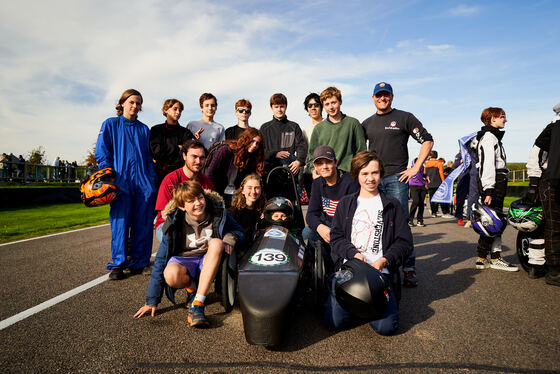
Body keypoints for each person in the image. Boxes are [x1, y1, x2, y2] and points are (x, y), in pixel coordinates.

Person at [134, 180, 244, 327]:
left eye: (200, 197)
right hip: (185, 260)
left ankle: (197, 303)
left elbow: (239, 231)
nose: (198, 203)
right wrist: (152, 301)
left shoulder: (219, 213)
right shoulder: (174, 223)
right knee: (171, 274)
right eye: (191, 201)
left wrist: (230, 238)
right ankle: (192, 290)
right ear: (181, 206)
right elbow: (160, 260)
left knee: (217, 242)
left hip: (209, 259)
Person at [326, 151, 413, 335]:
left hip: (380, 273)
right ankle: (352, 303)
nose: (370, 179)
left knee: (386, 328)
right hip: (350, 270)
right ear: (357, 175)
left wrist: (385, 260)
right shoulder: (345, 203)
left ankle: (369, 308)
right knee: (335, 322)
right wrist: (354, 255)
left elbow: (404, 242)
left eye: (374, 173)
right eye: (364, 174)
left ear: (381, 173)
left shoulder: (392, 204)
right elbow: (336, 238)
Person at [361, 82, 434, 287]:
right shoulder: (366, 123)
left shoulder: (404, 117)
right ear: (373, 98)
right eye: (378, 95)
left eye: (386, 95)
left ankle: (409, 268)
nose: (382, 98)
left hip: (397, 179)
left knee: (401, 225)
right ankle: (380, 265)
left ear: (392, 97)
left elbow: (427, 141)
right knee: (375, 225)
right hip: (373, 181)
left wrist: (416, 168)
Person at [95, 89, 157, 280]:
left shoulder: (144, 129)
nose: (135, 106)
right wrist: (107, 174)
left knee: (143, 224)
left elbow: (148, 158)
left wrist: (151, 181)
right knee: (120, 223)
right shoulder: (110, 124)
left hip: (143, 183)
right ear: (122, 103)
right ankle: (118, 264)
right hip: (120, 183)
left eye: (138, 103)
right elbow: (102, 152)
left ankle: (140, 262)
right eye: (131, 102)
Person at [475, 107, 518, 271]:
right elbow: (487, 165)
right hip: (494, 181)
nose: (505, 120)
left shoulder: (492, 137)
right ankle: (494, 258)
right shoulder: (488, 138)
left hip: (496, 180)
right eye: (502, 117)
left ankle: (482, 258)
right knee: (494, 220)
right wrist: (488, 190)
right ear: (492, 118)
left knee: (491, 219)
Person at [303, 145, 359, 271]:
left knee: (339, 253)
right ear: (315, 167)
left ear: (336, 162)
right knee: (307, 233)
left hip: (347, 227)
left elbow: (354, 216)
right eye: (320, 163)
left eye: (328, 162)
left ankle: (338, 267)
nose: (324, 167)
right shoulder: (317, 183)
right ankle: (327, 267)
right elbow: (311, 214)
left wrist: (335, 233)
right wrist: (320, 227)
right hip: (328, 224)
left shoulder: (350, 182)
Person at [524, 103, 560, 285]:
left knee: (551, 225)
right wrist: (533, 185)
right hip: (549, 180)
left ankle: (539, 265)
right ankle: (552, 270)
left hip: (551, 179)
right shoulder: (552, 129)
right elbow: (535, 156)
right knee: (552, 225)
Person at [154, 140, 214, 242]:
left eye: (202, 158)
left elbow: (210, 210)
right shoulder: (170, 180)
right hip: (169, 224)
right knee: (175, 241)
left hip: (199, 224)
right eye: (194, 157)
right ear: (184, 156)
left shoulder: (206, 182)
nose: (198, 161)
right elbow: (165, 213)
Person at [308, 87, 366, 173]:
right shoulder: (318, 128)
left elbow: (361, 151)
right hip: (326, 175)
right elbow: (312, 154)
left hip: (349, 174)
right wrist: (313, 170)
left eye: (333, 103)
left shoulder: (353, 123)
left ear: (340, 102)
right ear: (323, 106)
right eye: (327, 104)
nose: (331, 107)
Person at [204, 128, 265, 205]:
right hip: (217, 192)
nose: (254, 145)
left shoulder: (251, 157)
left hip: (236, 194)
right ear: (245, 139)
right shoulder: (224, 150)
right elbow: (209, 174)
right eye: (252, 141)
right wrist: (211, 196)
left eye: (257, 143)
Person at [149, 98, 196, 187]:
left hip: (180, 174)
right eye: (175, 109)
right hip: (160, 174)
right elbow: (155, 151)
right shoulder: (156, 130)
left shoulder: (186, 132)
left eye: (180, 110)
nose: (178, 112)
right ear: (166, 110)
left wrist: (166, 148)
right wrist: (177, 147)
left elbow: (187, 153)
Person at [260, 93, 307, 175]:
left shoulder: (294, 127)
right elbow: (260, 151)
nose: (279, 110)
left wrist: (299, 161)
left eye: (282, 106)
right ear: (271, 108)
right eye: (276, 107)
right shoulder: (264, 128)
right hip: (269, 172)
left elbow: (301, 146)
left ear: (286, 107)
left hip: (289, 172)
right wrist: (275, 154)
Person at [228, 173, 266, 247]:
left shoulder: (263, 212)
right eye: (249, 188)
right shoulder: (233, 212)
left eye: (257, 188)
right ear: (242, 190)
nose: (253, 192)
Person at [301, 93, 324, 199]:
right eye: (310, 106)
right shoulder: (305, 131)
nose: (313, 108)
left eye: (316, 105)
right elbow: (305, 153)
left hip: (326, 171)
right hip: (310, 173)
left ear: (321, 106)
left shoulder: (328, 126)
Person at [425, 151, 451, 218]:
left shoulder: (426, 164)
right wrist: (444, 183)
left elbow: (425, 174)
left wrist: (426, 183)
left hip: (430, 183)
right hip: (438, 183)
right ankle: (444, 212)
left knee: (432, 199)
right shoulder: (439, 163)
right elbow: (441, 174)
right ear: (436, 155)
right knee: (441, 198)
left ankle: (434, 212)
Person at [408, 158, 428, 227]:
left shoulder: (422, 167)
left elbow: (422, 174)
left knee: (421, 203)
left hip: (421, 186)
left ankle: (420, 220)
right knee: (415, 201)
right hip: (414, 185)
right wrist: (425, 182)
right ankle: (410, 220)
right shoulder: (414, 167)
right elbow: (419, 176)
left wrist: (426, 176)